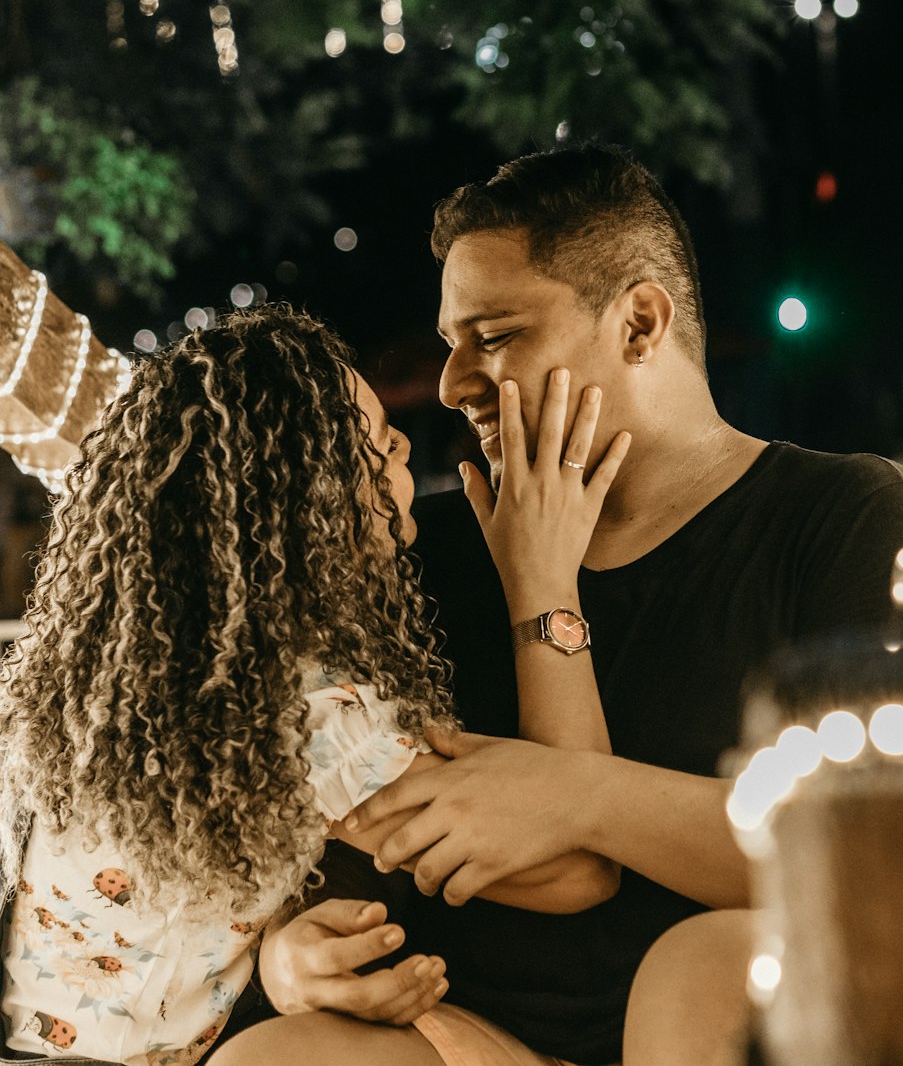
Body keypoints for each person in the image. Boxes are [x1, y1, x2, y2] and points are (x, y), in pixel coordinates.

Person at [222, 144, 903, 1066]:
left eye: (497, 335)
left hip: (725, 1022)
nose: (451, 384)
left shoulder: (844, 519)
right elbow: (350, 835)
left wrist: (584, 799)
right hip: (470, 1037)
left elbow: (882, 857)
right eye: (449, 344)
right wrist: (296, 957)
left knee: (701, 963)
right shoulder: (419, 546)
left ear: (638, 325)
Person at [0, 305, 628, 1066]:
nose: (402, 446)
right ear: (310, 502)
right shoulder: (303, 710)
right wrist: (544, 580)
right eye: (375, 448)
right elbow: (572, 868)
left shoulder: (82, 668)